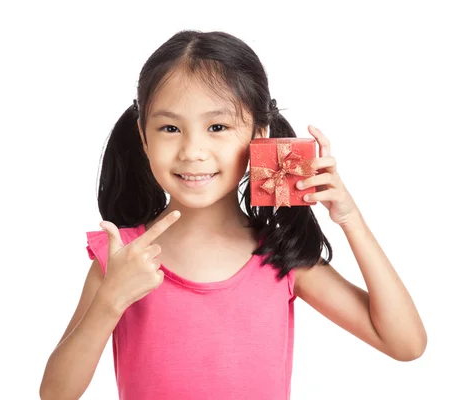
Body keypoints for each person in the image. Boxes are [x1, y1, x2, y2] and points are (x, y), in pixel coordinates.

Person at [39, 30, 427, 400]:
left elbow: (405, 343)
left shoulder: (280, 257)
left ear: (260, 135)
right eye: (170, 127)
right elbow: (56, 392)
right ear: (143, 137)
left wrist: (350, 219)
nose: (193, 150)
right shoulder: (122, 257)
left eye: (218, 126)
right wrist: (110, 301)